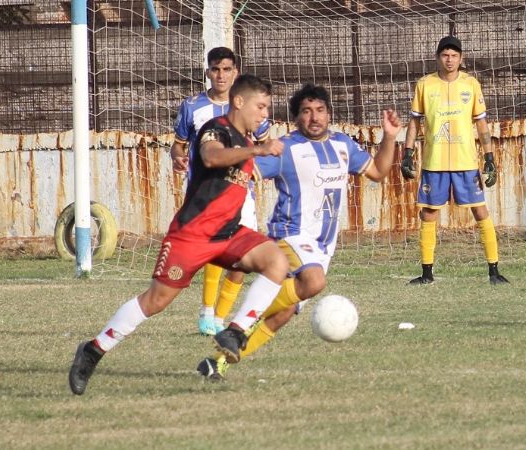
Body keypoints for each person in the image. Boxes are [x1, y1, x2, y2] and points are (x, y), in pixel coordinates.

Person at [68, 74, 287, 395]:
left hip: (228, 234)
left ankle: (235, 332)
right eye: (261, 106)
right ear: (239, 101)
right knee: (155, 301)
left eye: (267, 108)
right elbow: (211, 156)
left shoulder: (247, 140)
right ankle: (93, 349)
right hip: (191, 236)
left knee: (276, 262)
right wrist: (258, 150)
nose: (265, 114)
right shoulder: (217, 128)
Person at [197, 83, 402, 380]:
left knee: (282, 314)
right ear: (295, 118)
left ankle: (216, 363)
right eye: (306, 111)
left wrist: (390, 137)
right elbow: (244, 173)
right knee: (314, 281)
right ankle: (236, 328)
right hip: (289, 233)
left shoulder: (343, 145)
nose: (314, 117)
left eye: (320, 110)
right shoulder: (285, 149)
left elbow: (379, 172)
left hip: (323, 247)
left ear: (329, 114)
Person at [171, 47, 269, 336]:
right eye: (215, 69)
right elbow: (178, 145)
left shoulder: (248, 105)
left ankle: (219, 318)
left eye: (226, 69)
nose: (221, 75)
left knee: (242, 258)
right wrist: (177, 157)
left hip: (242, 191)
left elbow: (264, 143)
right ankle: (207, 311)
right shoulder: (192, 107)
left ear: (235, 72)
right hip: (206, 193)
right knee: (214, 250)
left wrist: (262, 162)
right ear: (207, 72)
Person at [400, 35, 509, 286]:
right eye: (445, 55)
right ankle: (427, 274)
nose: (449, 60)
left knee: (480, 210)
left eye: (454, 56)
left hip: (465, 162)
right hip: (434, 162)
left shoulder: (471, 84)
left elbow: (481, 124)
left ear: (461, 59)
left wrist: (489, 157)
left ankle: (494, 271)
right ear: (437, 58)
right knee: (428, 214)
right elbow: (415, 121)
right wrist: (408, 152)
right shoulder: (425, 85)